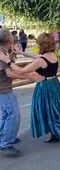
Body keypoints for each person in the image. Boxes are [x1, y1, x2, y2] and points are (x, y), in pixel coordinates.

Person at [0, 33, 60, 143]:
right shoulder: (51, 55)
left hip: (45, 86)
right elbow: (34, 55)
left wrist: (8, 61)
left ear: (42, 44)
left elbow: (23, 70)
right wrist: (20, 52)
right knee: (54, 107)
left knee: (46, 110)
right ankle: (55, 134)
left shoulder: (41, 60)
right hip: (54, 83)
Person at [0, 28, 37, 156]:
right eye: (11, 34)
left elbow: (6, 65)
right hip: (3, 90)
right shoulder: (1, 53)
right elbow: (9, 72)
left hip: (3, 89)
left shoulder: (3, 52)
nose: (13, 35)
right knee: (13, 115)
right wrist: (29, 77)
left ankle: (4, 137)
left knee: (6, 115)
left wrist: (14, 54)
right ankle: (6, 143)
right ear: (8, 39)